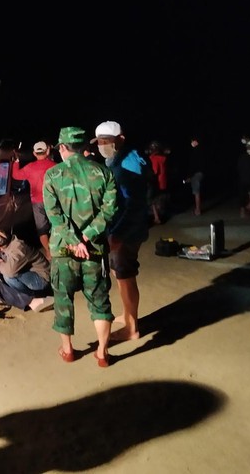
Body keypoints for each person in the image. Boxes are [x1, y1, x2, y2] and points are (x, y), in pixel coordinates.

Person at [43, 127, 118, 367]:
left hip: (63, 249)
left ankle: (68, 351)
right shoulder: (104, 172)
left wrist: (74, 241)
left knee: (63, 299)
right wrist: (87, 236)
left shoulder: (52, 175)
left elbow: (54, 215)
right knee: (99, 301)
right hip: (94, 249)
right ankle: (102, 353)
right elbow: (110, 210)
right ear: (85, 146)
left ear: (63, 147)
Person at [91, 121, 149, 342]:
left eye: (107, 141)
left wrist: (118, 234)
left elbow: (134, 205)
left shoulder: (129, 165)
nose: (102, 145)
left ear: (121, 139)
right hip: (120, 228)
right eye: (99, 142)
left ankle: (131, 328)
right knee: (120, 273)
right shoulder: (119, 159)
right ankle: (127, 315)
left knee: (125, 276)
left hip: (125, 231)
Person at [11, 140, 57, 259]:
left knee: (42, 229)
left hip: (37, 202)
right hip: (52, 200)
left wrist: (16, 161)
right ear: (47, 151)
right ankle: (57, 248)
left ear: (34, 153)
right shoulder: (54, 166)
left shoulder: (30, 167)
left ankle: (48, 251)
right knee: (56, 224)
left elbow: (15, 175)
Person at [0, 228, 51, 297]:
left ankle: (32, 296)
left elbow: (9, 271)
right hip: (29, 272)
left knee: (8, 277)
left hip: (42, 278)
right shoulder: (5, 244)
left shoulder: (18, 248)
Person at [148, 141, 169, 224]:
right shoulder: (163, 158)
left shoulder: (154, 158)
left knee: (153, 200)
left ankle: (157, 218)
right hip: (163, 181)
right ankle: (160, 216)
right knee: (160, 199)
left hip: (156, 182)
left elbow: (155, 171)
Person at [184, 137, 206, 216]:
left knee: (196, 192)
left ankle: (198, 210)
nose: (192, 143)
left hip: (196, 174)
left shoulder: (195, 151)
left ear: (196, 142)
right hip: (200, 173)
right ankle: (197, 209)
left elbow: (193, 165)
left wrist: (189, 176)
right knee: (197, 192)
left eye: (193, 141)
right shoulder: (202, 150)